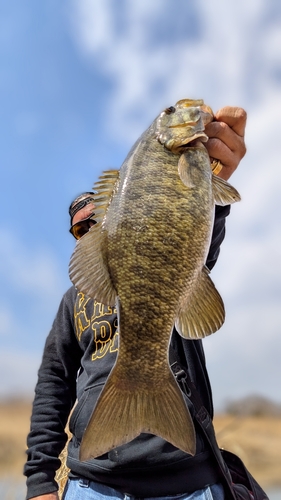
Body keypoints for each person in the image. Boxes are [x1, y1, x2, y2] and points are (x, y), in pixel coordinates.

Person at [24, 106, 247, 500]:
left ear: (119, 219)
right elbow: (53, 385)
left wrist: (208, 187)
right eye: (81, 228)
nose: (92, 229)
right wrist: (40, 482)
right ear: (77, 238)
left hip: (189, 481)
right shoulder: (71, 303)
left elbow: (197, 254)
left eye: (99, 219)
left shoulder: (170, 266)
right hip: (92, 483)